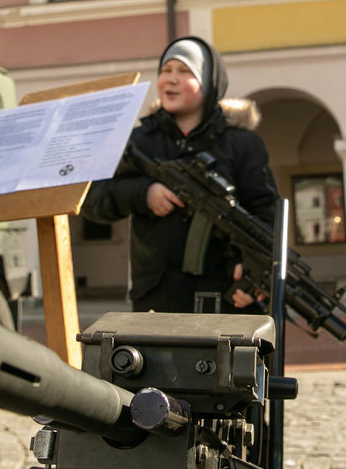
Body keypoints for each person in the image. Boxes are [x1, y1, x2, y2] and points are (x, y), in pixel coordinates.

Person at [84, 35, 278, 315]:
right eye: (166, 70)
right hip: (156, 299)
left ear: (210, 81)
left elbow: (265, 213)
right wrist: (143, 194)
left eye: (185, 71)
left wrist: (253, 271)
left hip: (225, 300)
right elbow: (92, 199)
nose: (171, 79)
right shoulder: (138, 142)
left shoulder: (241, 144)